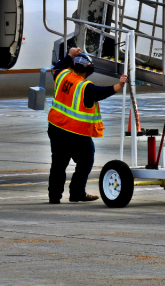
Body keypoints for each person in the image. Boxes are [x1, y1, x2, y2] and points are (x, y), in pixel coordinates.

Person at [47, 48, 127, 204]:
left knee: (58, 163)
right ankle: (77, 192)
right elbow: (100, 92)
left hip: (56, 127)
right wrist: (119, 85)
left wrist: (69, 55)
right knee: (86, 160)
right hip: (75, 131)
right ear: (89, 70)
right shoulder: (85, 87)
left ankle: (54, 196)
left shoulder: (61, 75)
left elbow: (57, 67)